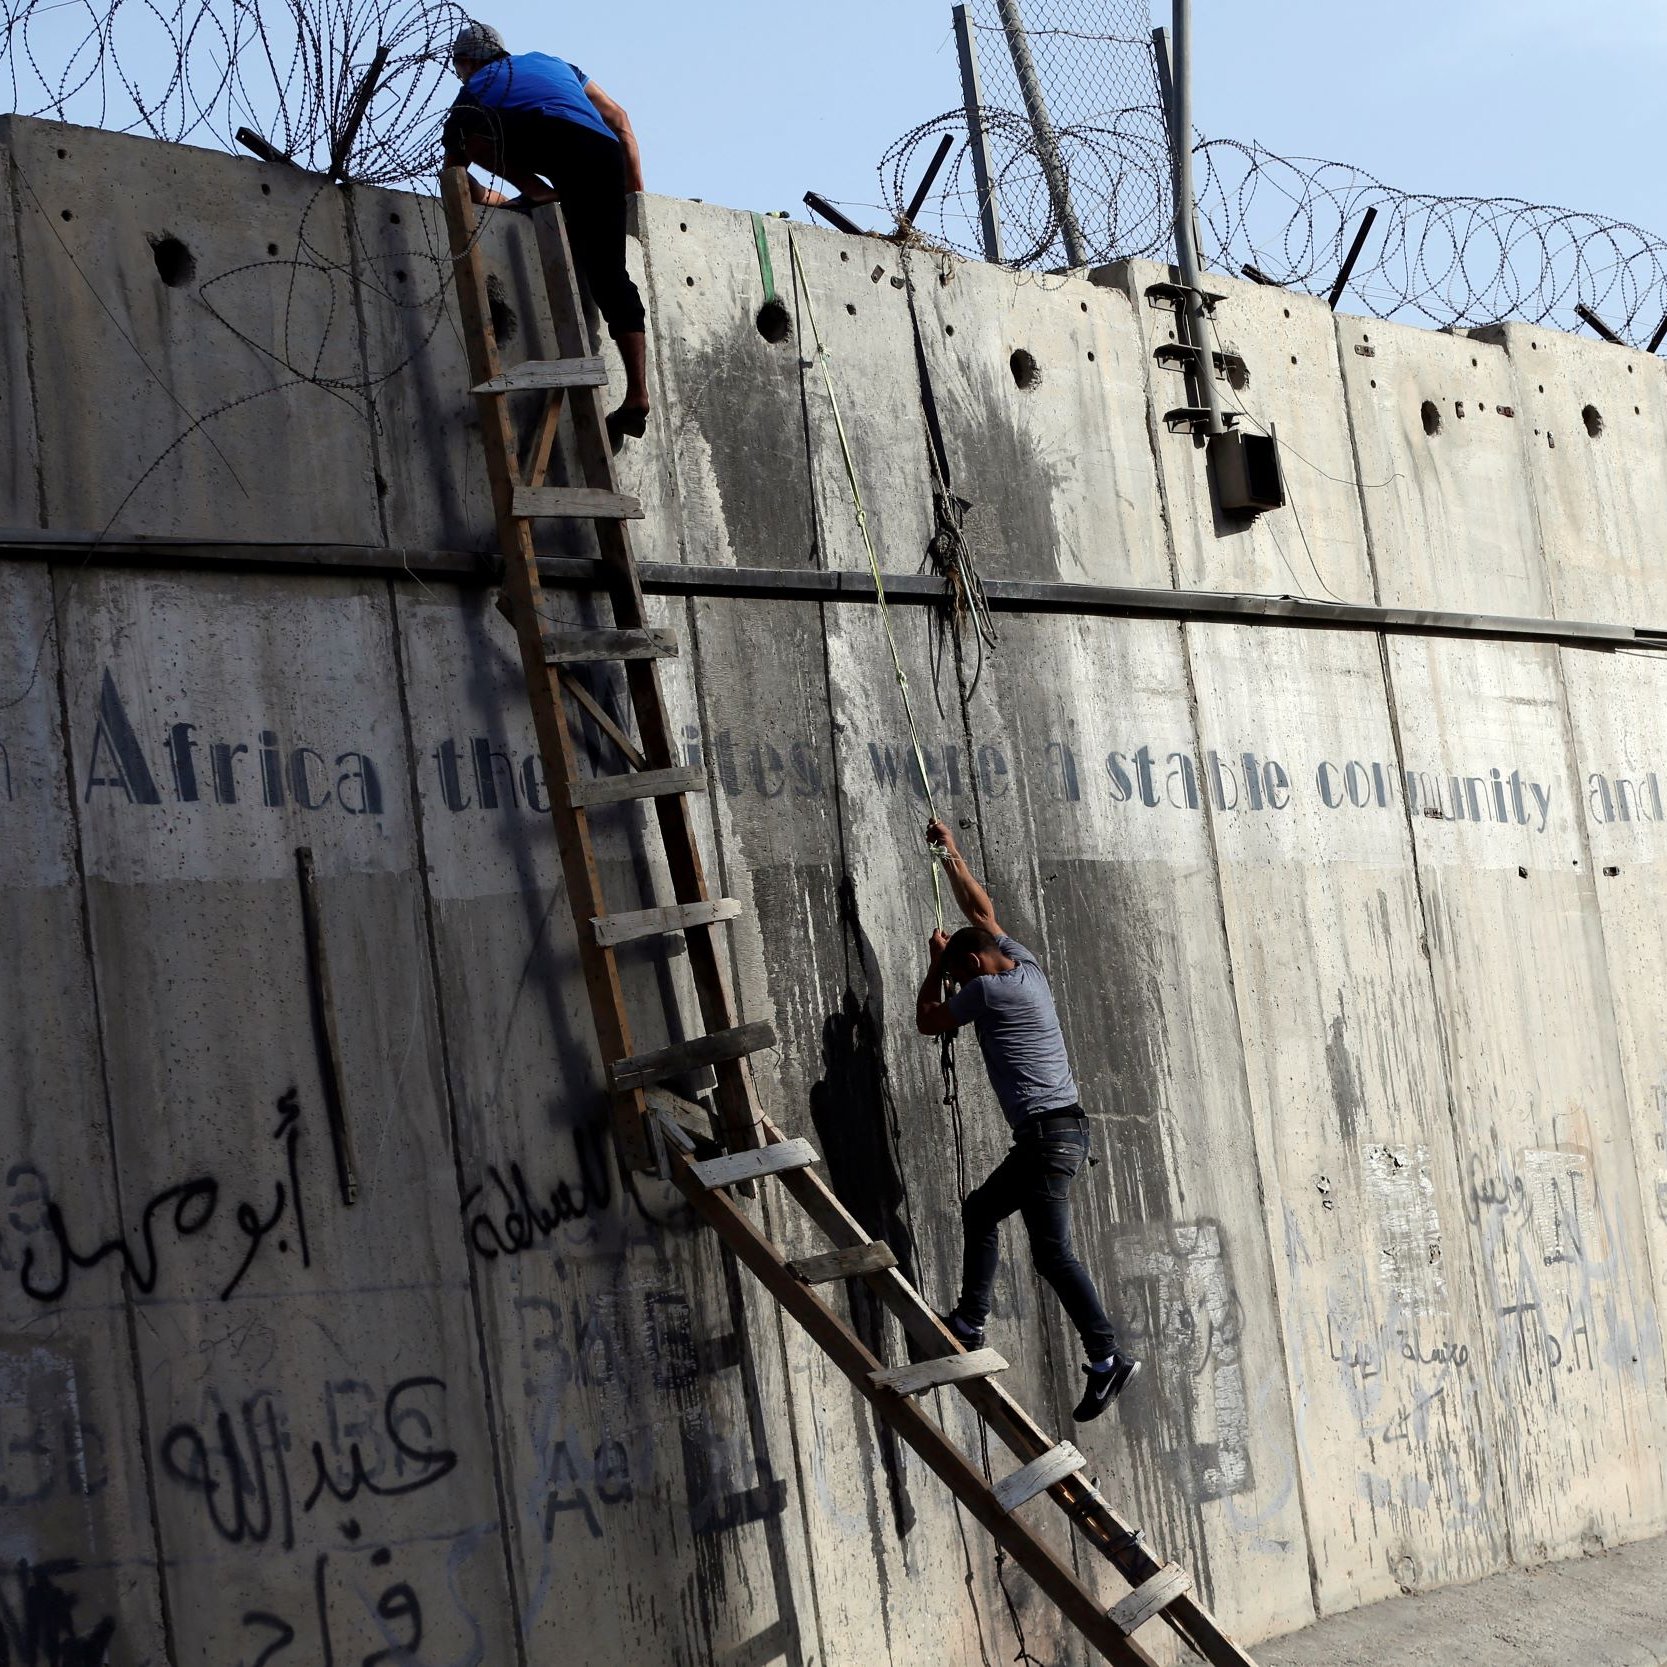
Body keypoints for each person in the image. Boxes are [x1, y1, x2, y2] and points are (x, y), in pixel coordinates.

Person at [914, 818, 1139, 1422]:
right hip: (1062, 1132)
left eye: (964, 974)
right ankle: (988, 1324)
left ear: (974, 970)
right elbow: (982, 913)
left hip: (1045, 1138)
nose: (963, 982)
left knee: (1034, 1243)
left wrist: (937, 968)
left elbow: (929, 1020)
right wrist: (953, 855)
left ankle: (1098, 1353)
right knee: (1010, 1227)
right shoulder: (1025, 967)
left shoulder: (987, 991)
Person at [440, 21, 651, 448]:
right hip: (601, 154)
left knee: (463, 132)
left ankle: (537, 191)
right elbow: (621, 121)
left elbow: (458, 178)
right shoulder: (556, 65)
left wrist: (505, 197)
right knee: (610, 277)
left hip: (554, 148)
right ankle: (637, 395)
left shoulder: (473, 91)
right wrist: (633, 196)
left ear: (466, 62)